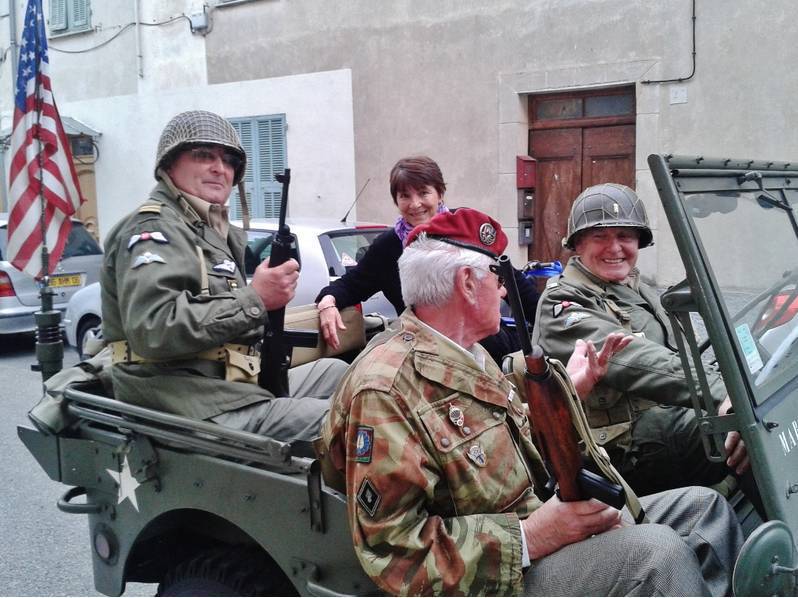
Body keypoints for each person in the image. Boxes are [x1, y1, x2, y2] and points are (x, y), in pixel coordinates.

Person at [319, 208, 743, 596]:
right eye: (497, 275)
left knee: (703, 510)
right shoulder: (386, 389)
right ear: (467, 283)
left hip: (539, 517)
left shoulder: (467, 353)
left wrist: (568, 391)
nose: (505, 289)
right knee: (657, 553)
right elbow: (394, 552)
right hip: (498, 576)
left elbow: (501, 435)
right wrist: (530, 536)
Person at [100, 110, 346, 443]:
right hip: (185, 402)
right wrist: (256, 298)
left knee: (345, 376)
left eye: (229, 161)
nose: (220, 168)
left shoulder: (206, 228)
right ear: (169, 165)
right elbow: (153, 329)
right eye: (204, 155)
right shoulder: (155, 228)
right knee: (357, 421)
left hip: (228, 385)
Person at [532, 183, 750, 496]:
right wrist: (721, 392)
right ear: (578, 244)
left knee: (760, 412)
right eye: (600, 237)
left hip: (663, 421)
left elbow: (678, 351)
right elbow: (630, 356)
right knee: (742, 424)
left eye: (625, 236)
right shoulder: (563, 301)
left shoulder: (635, 288)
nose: (615, 248)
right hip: (621, 445)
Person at [314, 155, 539, 365]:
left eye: (423, 193)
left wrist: (545, 327)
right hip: (426, 359)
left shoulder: (466, 230)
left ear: (440, 194)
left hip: (488, 353)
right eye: (405, 196)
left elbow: (515, 285)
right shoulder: (387, 247)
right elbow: (351, 285)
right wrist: (328, 302)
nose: (415, 204)